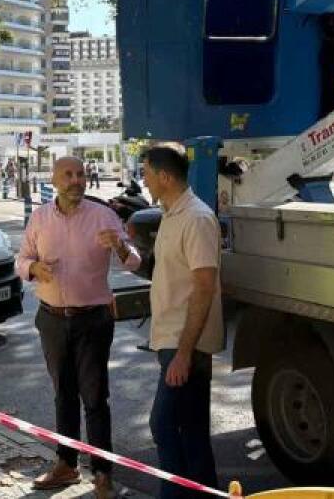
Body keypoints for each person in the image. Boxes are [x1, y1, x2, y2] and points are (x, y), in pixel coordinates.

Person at [16, 156, 140, 499]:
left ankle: (102, 474)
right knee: (63, 395)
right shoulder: (40, 218)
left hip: (92, 321)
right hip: (52, 318)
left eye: (81, 174)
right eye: (68, 175)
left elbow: (135, 262)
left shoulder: (103, 215)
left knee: (95, 398)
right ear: (54, 180)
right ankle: (66, 465)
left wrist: (118, 244)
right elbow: (21, 259)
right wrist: (33, 269)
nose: (76, 180)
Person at [140, 145, 224, 499]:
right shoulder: (172, 213)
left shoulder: (196, 218)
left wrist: (184, 354)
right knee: (190, 430)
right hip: (170, 340)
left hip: (184, 343)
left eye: (146, 172)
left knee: (162, 425)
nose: (143, 179)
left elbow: (204, 288)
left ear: (165, 176)